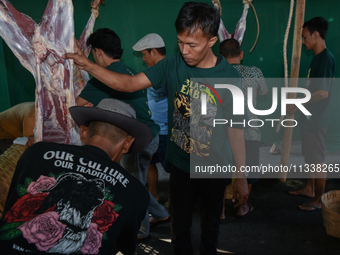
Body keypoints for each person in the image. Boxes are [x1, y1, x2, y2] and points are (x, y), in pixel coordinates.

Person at [64, 2, 248, 254]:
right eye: (180, 42)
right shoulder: (171, 65)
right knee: (180, 229)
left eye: (192, 45)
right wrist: (88, 65)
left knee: (211, 228)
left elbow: (235, 129)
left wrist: (242, 177)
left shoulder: (230, 76)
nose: (184, 50)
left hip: (214, 169)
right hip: (181, 166)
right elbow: (128, 84)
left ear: (211, 40)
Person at [0, 98, 151, 254]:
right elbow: (124, 248)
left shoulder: (35, 153)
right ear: (128, 143)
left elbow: (11, 206)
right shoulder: (135, 192)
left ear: (84, 132)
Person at [76, 28, 167, 239]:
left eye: (92, 53)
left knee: (132, 187)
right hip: (150, 134)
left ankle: (142, 230)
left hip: (135, 140)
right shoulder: (130, 71)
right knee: (138, 182)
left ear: (98, 52)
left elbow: (79, 104)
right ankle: (161, 213)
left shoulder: (102, 78)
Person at [287, 17, 335, 211]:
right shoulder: (317, 58)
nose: (303, 41)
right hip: (310, 117)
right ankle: (309, 188)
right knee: (310, 155)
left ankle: (319, 200)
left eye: (305, 37)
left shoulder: (325, 58)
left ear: (316, 35)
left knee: (317, 159)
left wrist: (298, 104)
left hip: (318, 118)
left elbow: (323, 93)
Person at [220, 38, 268, 217]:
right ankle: (242, 207)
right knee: (248, 172)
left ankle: (221, 210)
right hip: (250, 131)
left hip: (224, 132)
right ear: (241, 54)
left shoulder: (217, 73)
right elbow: (264, 92)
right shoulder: (254, 72)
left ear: (220, 57)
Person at [132, 33, 170, 212]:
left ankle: (178, 200)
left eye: (145, 55)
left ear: (153, 52)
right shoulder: (149, 74)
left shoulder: (172, 69)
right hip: (154, 129)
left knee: (175, 168)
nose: (144, 59)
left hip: (171, 131)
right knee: (151, 163)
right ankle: (154, 195)